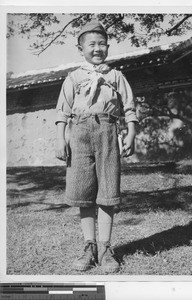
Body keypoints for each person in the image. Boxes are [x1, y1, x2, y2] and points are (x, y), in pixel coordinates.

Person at [55, 20, 138, 273]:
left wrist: (131, 134)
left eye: (102, 44)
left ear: (108, 47)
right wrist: (61, 138)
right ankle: (89, 246)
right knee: (84, 192)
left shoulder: (116, 76)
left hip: (108, 133)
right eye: (91, 44)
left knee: (107, 192)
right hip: (79, 134)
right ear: (81, 49)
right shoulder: (73, 77)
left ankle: (105, 249)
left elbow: (130, 108)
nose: (97, 48)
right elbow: (63, 110)